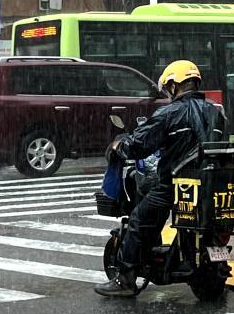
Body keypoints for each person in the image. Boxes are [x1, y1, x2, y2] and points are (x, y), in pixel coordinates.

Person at [93, 60, 226, 297]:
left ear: (174, 85)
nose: (167, 93)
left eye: (168, 88)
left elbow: (139, 144)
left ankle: (125, 280)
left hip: (176, 184)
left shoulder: (169, 113)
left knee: (139, 220)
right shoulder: (215, 112)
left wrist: (119, 147)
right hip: (211, 183)